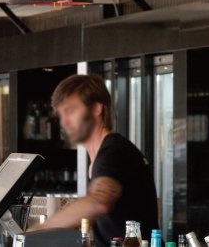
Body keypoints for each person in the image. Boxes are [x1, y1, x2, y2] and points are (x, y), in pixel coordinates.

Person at [41, 75, 158, 247]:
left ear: (96, 108)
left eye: (71, 111)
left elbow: (98, 201)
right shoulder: (103, 155)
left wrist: (40, 230)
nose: (64, 122)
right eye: (61, 114)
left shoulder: (114, 152)